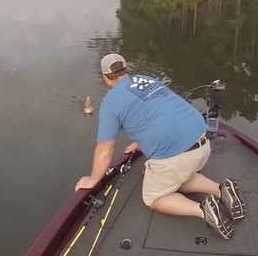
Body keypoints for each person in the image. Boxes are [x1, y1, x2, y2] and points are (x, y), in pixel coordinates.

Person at [75, 54, 246, 239]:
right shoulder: (148, 80)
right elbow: (160, 112)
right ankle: (221, 190)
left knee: (155, 198)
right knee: (176, 176)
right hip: (202, 142)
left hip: (177, 156)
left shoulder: (110, 103)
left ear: (106, 78)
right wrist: (141, 142)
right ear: (128, 70)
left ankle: (203, 210)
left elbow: (105, 151)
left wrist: (93, 180)